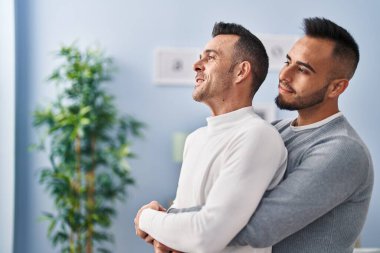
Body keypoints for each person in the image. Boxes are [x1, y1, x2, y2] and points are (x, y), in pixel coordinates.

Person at [158, 17, 374, 253]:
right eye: (288, 62)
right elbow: (222, 209)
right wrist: (171, 222)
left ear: (336, 88)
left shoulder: (342, 150)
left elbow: (256, 228)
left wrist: (166, 226)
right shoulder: (273, 131)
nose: (285, 75)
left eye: (303, 70)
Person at [134, 22, 288, 253]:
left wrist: (145, 218)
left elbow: (204, 237)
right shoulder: (195, 139)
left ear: (241, 71)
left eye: (210, 58)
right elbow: (186, 220)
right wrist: (167, 225)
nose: (196, 65)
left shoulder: (258, 136)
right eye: (199, 58)